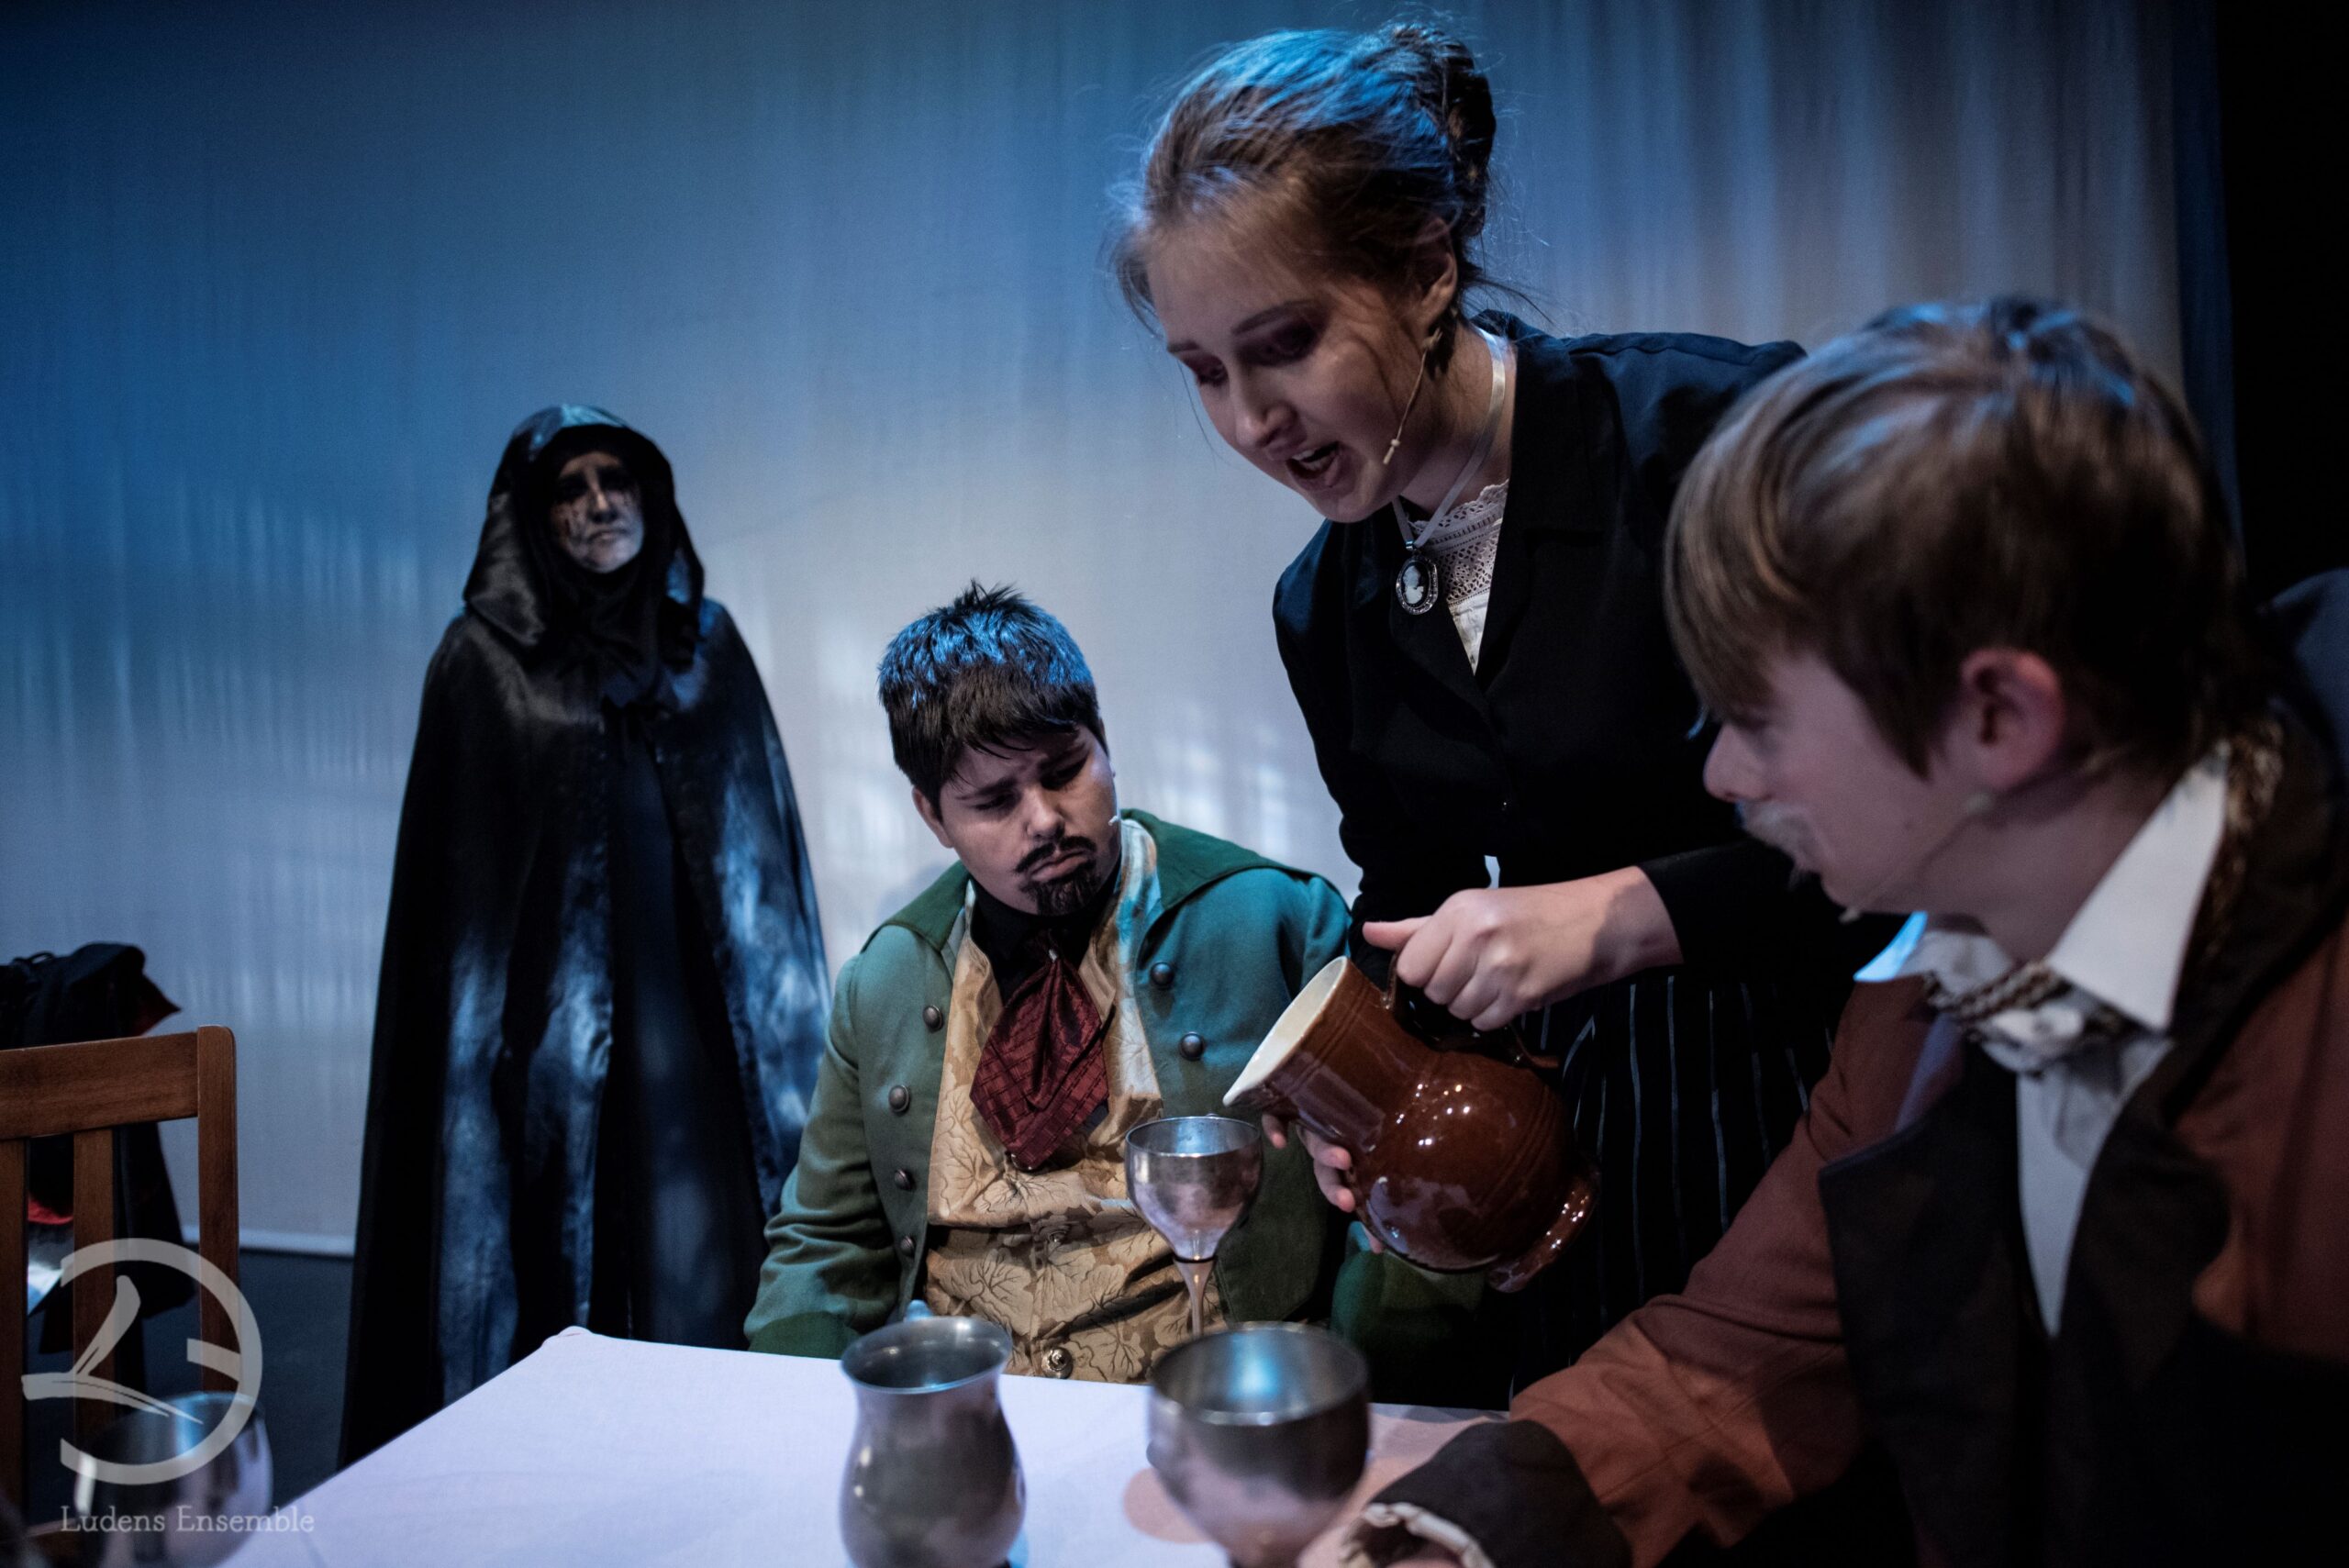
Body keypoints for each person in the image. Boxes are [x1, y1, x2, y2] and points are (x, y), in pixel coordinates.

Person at [1344, 298, 2347, 1568]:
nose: (1724, 777)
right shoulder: (1926, 988)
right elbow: (1739, 1353)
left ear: (1998, 717)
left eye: (1757, 719)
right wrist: (1454, 1534)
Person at [1110, 22, 1889, 1398]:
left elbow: (1916, 825)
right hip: (1584, 1172)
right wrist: (1360, 1077)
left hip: (1830, 1113)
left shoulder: (1706, 438)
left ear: (1426, 270)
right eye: (1203, 372)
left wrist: (1626, 912)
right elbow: (1408, 895)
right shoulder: (1324, 606)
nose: (1250, 421)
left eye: (1284, 344)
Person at [343, 406, 829, 1462]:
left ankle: (729, 1472)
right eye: (571, 487)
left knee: (710, 1257)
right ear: (530, 518)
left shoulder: (707, 648)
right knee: (570, 1262)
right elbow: (459, 924)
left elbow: (765, 873)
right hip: (542, 1060)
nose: (601, 503)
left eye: (619, 480)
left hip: (700, 1034)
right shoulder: (481, 663)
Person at [744, 584, 1353, 1381]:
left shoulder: (1273, 921)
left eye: (1065, 771)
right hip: (975, 1406)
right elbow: (825, 1243)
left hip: (1216, 1398)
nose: (1043, 820)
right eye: (994, 800)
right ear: (933, 816)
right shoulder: (884, 981)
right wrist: (791, 1409)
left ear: (1104, 744)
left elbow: (1386, 1191)